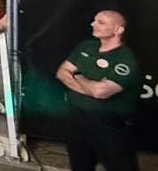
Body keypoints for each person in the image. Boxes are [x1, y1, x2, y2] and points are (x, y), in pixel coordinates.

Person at [56, 10, 142, 171]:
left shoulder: (125, 59)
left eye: (101, 22)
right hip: (76, 119)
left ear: (118, 30)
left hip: (108, 125)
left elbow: (101, 92)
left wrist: (78, 75)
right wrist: (89, 85)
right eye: (94, 20)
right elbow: (61, 72)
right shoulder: (87, 46)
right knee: (80, 165)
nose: (93, 24)